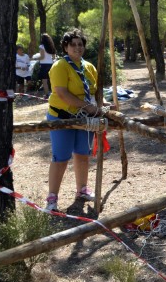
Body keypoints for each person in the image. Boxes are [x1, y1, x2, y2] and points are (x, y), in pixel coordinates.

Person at [45, 29, 113, 212]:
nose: (77, 48)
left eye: (80, 44)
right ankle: (52, 198)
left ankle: (82, 190)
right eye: (73, 44)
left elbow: (94, 93)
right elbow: (62, 93)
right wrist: (88, 107)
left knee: (83, 154)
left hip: (85, 119)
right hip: (62, 117)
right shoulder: (60, 66)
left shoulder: (89, 67)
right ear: (65, 47)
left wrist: (104, 104)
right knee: (61, 158)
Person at [39, 33, 56, 98]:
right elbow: (54, 57)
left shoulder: (41, 46)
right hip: (51, 64)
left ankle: (47, 94)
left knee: (44, 80)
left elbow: (42, 57)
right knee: (51, 79)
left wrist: (34, 58)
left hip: (44, 64)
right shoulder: (51, 46)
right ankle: (54, 93)